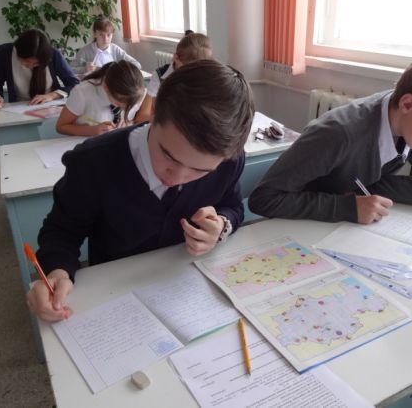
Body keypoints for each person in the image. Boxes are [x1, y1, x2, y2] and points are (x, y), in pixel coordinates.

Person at [27, 60, 255, 321]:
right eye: (168, 155)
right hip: (114, 294)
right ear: (153, 112)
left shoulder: (229, 162)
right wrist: (57, 271)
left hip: (187, 292)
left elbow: (233, 207)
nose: (176, 177)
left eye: (200, 170)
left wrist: (221, 226)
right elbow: (61, 232)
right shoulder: (93, 162)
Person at [248, 50, 412, 225]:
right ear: (407, 104)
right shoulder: (338, 134)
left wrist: (363, 188)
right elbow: (264, 199)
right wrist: (346, 207)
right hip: (300, 229)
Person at [0, 29, 79, 109]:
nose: (30, 66)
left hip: (50, 107)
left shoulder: (54, 54)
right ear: (17, 51)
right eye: (26, 61)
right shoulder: (3, 52)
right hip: (18, 108)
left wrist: (52, 95)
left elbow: (74, 84)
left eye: (36, 63)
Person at [135, 31, 212, 123]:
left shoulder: (206, 76)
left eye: (197, 72)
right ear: (175, 58)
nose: (191, 76)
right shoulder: (160, 76)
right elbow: (141, 117)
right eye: (187, 70)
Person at [55, 61, 145, 137]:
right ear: (106, 87)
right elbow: (61, 127)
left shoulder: (138, 92)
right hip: (86, 144)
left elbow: (139, 120)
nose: (124, 109)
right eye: (119, 104)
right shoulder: (82, 93)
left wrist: (129, 124)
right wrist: (92, 130)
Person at [71, 17, 141, 75]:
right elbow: (71, 69)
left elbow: (137, 64)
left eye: (108, 35)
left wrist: (119, 69)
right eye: (101, 35)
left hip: (113, 84)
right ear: (95, 34)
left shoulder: (116, 50)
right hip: (93, 84)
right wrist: (85, 69)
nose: (105, 39)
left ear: (112, 35)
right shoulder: (85, 51)